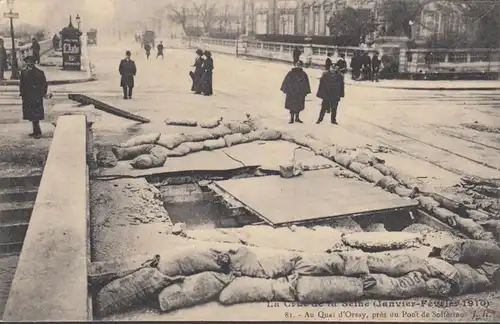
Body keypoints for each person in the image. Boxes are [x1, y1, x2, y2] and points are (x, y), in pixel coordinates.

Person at [19, 56, 47, 139]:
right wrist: (22, 93)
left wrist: (42, 93)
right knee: (31, 115)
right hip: (27, 96)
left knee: (36, 115)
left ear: (33, 63)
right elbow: (22, 84)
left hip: (36, 96)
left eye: (31, 62)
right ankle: (35, 131)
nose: (29, 63)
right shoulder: (23, 72)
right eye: (27, 62)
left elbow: (44, 84)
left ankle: (38, 132)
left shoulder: (39, 72)